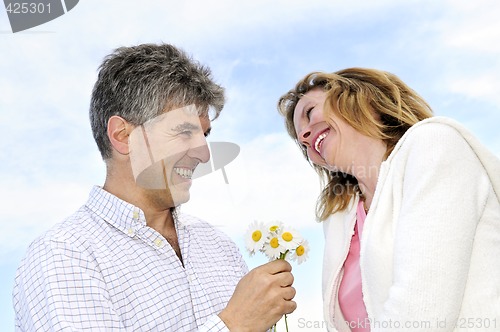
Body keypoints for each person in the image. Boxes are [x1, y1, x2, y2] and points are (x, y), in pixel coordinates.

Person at [13, 43, 296, 332]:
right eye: (184, 131)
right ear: (123, 136)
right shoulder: (64, 255)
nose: (205, 154)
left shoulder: (219, 246)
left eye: (205, 134)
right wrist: (235, 324)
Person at [277, 67, 500, 332]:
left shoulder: (434, 145)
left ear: (357, 96)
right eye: (302, 143)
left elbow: (421, 315)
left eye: (310, 112)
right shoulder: (341, 216)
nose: (304, 137)